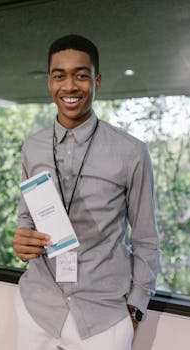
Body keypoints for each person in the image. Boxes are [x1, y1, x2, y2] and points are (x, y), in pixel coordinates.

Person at [12, 34, 160, 350]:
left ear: (97, 81)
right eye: (59, 75)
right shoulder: (32, 148)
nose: (70, 86)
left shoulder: (131, 152)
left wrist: (135, 308)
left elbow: (146, 239)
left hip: (103, 316)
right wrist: (24, 240)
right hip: (38, 308)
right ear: (49, 82)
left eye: (81, 75)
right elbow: (27, 220)